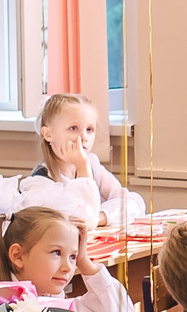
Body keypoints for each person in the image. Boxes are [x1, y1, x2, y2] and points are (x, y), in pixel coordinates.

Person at [0, 207, 134, 312]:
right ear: (18, 256)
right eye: (56, 252)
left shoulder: (52, 298)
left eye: (73, 256)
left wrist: (84, 261)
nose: (68, 267)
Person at [34, 92, 145, 230]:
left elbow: (133, 202)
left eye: (89, 129)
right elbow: (80, 218)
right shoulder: (40, 181)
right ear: (48, 134)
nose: (84, 137)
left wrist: (101, 217)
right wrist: (82, 168)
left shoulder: (92, 164)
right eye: (73, 128)